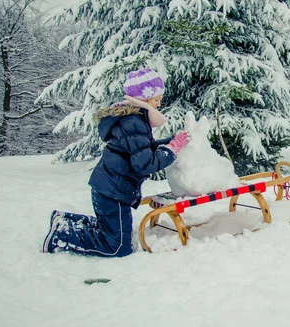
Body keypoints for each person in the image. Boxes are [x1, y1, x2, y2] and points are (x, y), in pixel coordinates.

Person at [42, 68, 190, 257]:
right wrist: (172, 150)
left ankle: (64, 221)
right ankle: (60, 233)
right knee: (118, 246)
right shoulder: (133, 122)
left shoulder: (133, 119)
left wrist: (170, 142)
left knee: (111, 230)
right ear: (143, 99)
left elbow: (143, 149)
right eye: (156, 99)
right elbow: (145, 164)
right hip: (113, 192)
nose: (159, 104)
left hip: (111, 188)